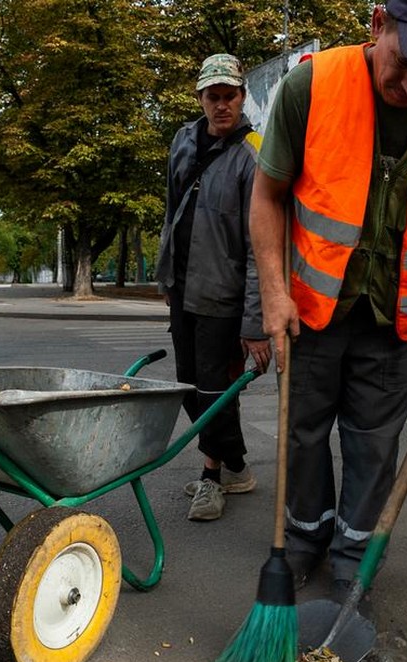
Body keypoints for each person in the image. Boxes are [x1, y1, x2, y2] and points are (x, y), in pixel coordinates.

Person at [248, 0, 407, 604]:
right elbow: (267, 194)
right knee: (303, 433)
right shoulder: (313, 84)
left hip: (394, 316)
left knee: (375, 443)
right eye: (405, 64)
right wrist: (274, 295)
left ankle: (354, 554)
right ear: (378, 23)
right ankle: (304, 542)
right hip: (311, 313)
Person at [155, 53, 271, 522]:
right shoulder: (183, 140)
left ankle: (211, 477)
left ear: (242, 97)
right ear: (200, 98)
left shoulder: (253, 155)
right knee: (190, 386)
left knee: (212, 390)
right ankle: (237, 466)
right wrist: (166, 275)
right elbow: (170, 210)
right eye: (213, 96)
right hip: (183, 288)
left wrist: (254, 322)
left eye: (230, 96)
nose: (221, 105)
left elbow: (259, 248)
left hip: (223, 297)